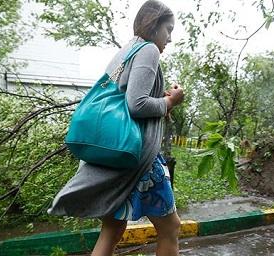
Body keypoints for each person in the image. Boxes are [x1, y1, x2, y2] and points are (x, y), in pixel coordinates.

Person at [48, 1, 184, 255]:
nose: (170, 38)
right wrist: (169, 101)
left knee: (112, 230)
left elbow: (126, 100)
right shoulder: (148, 50)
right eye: (168, 29)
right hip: (140, 157)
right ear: (154, 26)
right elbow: (137, 105)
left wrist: (162, 103)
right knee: (170, 228)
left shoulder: (127, 51)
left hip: (118, 155)